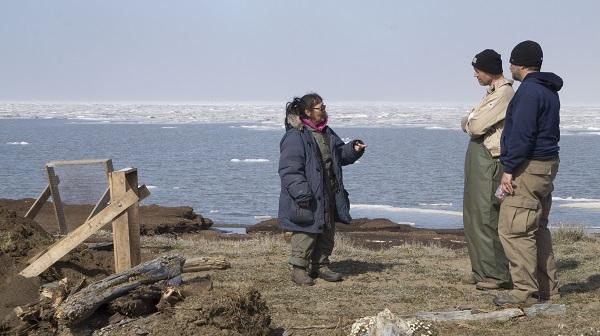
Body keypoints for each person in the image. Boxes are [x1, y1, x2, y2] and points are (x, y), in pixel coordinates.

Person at [493, 40, 563, 306]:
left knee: (514, 230)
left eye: (511, 61)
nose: (509, 66)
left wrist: (509, 170)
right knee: (537, 228)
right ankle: (547, 289)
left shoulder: (529, 93)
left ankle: (524, 294)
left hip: (528, 167)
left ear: (520, 64)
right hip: (546, 166)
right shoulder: (548, 90)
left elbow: (522, 135)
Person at [278, 93, 366, 286]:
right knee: (305, 231)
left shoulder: (326, 132)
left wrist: (353, 149)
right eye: (320, 108)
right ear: (307, 112)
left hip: (328, 191)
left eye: (324, 107)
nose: (324, 111)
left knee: (327, 229)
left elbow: (339, 155)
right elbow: (290, 169)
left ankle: (320, 265)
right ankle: (299, 270)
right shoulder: (295, 136)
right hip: (307, 194)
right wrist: (301, 193)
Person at [461, 49, 514, 291]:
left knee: (485, 216)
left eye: (477, 71)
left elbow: (476, 125)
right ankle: (480, 269)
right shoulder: (491, 93)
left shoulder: (503, 93)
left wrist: (471, 120)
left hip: (490, 159)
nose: (475, 76)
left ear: (489, 70)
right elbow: (469, 122)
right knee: (472, 215)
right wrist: (470, 120)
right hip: (479, 156)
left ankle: (496, 274)